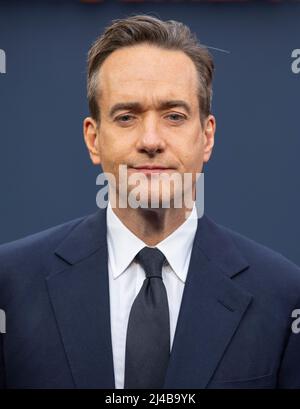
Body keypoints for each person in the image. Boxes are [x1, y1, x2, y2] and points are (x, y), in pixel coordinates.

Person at [0, 14, 300, 389]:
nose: (151, 140)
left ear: (206, 137)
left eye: (174, 116)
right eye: (127, 117)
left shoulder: (284, 295)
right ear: (94, 139)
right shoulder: (9, 284)